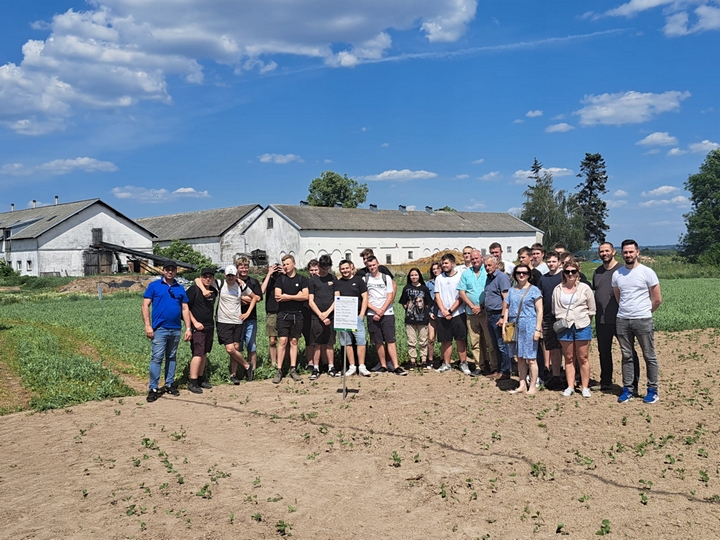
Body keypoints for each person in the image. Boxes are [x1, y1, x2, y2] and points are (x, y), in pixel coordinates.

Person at [612, 239, 662, 404]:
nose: (628, 255)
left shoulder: (647, 272)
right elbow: (619, 297)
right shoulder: (617, 274)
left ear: (637, 252)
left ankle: (652, 390)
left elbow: (657, 299)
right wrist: (627, 311)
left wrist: (645, 312)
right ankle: (628, 389)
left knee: (649, 355)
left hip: (643, 320)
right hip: (623, 320)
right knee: (627, 356)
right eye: (625, 252)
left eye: (631, 252)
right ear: (622, 254)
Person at [141, 262, 192, 402]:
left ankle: (169, 384)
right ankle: (153, 388)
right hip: (160, 329)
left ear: (176, 272)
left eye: (172, 270)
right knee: (157, 358)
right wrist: (148, 326)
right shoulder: (154, 286)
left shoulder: (180, 288)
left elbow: (185, 309)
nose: (170, 272)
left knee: (172, 357)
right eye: (167, 269)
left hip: (175, 329)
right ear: (163, 271)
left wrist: (188, 328)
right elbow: (145, 306)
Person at [593, 242, 640, 392]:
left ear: (613, 252)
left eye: (607, 251)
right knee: (604, 352)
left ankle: (633, 383)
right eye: (601, 251)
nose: (604, 253)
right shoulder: (598, 272)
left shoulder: (622, 270)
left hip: (621, 319)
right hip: (601, 320)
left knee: (628, 352)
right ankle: (606, 381)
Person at [552, 258, 596, 398]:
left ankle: (584, 387)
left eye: (573, 271)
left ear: (578, 272)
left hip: (582, 325)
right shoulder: (557, 289)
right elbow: (554, 309)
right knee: (569, 358)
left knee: (583, 357)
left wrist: (585, 321)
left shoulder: (585, 288)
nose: (570, 274)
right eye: (567, 272)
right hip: (565, 326)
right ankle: (570, 386)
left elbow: (592, 309)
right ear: (563, 273)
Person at [502, 263, 543, 395]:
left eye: (524, 273)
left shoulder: (534, 290)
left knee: (531, 358)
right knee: (519, 357)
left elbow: (539, 311)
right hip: (515, 326)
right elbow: (507, 308)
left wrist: (537, 329)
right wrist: (504, 325)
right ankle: (522, 384)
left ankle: (532, 386)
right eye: (518, 272)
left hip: (529, 325)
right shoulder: (512, 290)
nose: (521, 275)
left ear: (529, 275)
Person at [364, 255, 406, 375]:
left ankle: (396, 366)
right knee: (378, 341)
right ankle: (383, 365)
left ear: (378, 264)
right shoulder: (365, 279)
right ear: (367, 266)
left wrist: (381, 310)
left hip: (387, 313)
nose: (372, 267)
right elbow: (365, 298)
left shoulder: (386, 278)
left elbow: (390, 296)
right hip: (372, 313)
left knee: (390, 340)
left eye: (374, 265)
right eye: (369, 266)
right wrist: (376, 310)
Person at [215, 265, 255, 384]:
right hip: (223, 321)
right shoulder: (219, 284)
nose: (230, 277)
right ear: (225, 275)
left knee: (236, 348)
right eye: (228, 275)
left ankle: (234, 375)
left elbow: (254, 298)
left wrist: (247, 313)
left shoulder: (241, 286)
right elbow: (198, 279)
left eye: (233, 275)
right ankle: (247, 366)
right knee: (230, 349)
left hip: (237, 321)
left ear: (236, 275)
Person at [273, 254, 309, 383]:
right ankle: (279, 370)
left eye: (287, 264)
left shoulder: (302, 279)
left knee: (294, 341)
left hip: (298, 314)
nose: (285, 266)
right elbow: (278, 296)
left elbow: (305, 296)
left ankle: (293, 369)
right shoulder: (280, 280)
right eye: (284, 264)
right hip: (283, 314)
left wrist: (287, 296)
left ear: (294, 264)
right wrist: (295, 296)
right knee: (282, 341)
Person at [458, 249, 494, 374]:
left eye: (476, 258)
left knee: (490, 341)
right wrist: (472, 306)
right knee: (475, 341)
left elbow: (491, 291)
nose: (474, 261)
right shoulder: (466, 274)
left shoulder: (488, 271)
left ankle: (494, 366)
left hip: (486, 312)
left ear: (481, 258)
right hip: (471, 312)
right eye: (472, 259)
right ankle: (480, 366)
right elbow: (462, 292)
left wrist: (481, 306)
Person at [475, 256, 511, 380]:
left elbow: (506, 299)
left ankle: (506, 371)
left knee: (502, 345)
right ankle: (498, 370)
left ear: (496, 265)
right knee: (495, 345)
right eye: (485, 266)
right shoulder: (488, 279)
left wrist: (502, 317)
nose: (487, 268)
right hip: (490, 315)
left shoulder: (502, 278)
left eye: (489, 265)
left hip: (498, 315)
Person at [335, 259, 371, 377]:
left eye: (346, 268)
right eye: (342, 269)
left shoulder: (359, 281)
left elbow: (365, 298)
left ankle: (362, 366)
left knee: (361, 341)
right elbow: (337, 298)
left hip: (356, 316)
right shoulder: (338, 282)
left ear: (351, 268)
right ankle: (352, 366)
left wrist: (361, 315)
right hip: (343, 317)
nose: (345, 271)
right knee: (347, 342)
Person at [433, 253, 468, 374]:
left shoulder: (460, 277)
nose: (444, 265)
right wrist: (443, 310)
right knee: (445, 340)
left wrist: (450, 311)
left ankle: (463, 363)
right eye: (442, 263)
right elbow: (437, 295)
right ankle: (446, 363)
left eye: (446, 263)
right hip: (442, 314)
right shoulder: (439, 278)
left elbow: (461, 296)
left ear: (453, 264)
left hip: (458, 313)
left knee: (460, 339)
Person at [186, 268, 218, 394]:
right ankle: (192, 382)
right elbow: (185, 307)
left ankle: (200, 379)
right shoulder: (194, 290)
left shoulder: (214, 291)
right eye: (205, 276)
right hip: (197, 327)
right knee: (198, 354)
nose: (207, 279)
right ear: (201, 277)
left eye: (210, 277)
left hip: (209, 326)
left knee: (204, 353)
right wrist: (194, 323)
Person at [538, 252, 564, 389]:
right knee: (553, 349)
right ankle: (556, 376)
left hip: (563, 318)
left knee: (567, 349)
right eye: (549, 262)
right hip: (548, 318)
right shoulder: (543, 279)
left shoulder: (564, 276)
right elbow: (540, 299)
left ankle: (571, 375)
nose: (551, 264)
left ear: (559, 262)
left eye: (554, 261)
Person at [307, 255, 336, 380]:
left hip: (331, 316)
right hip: (316, 317)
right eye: (323, 267)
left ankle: (331, 367)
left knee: (330, 343)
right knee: (316, 343)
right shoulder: (313, 281)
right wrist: (321, 315)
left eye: (327, 268)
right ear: (319, 265)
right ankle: (316, 368)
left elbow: (337, 298)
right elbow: (311, 301)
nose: (325, 270)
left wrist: (328, 313)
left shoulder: (333, 279)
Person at [399, 267, 433, 369]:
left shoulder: (424, 288)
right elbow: (403, 302)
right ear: (409, 277)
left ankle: (423, 360)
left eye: (416, 275)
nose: (414, 277)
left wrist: (423, 311)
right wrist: (409, 310)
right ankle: (412, 361)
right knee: (411, 341)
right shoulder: (406, 288)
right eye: (412, 275)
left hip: (423, 319)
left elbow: (429, 303)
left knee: (423, 340)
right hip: (410, 320)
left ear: (419, 276)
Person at [262, 263, 283, 368]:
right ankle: (273, 362)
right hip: (272, 312)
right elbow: (261, 291)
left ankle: (283, 362)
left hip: (284, 311)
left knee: (284, 339)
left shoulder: (284, 278)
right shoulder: (268, 279)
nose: (276, 271)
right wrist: (269, 274)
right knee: (272, 340)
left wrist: (284, 273)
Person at [425, 262, 442, 370]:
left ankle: (443, 359)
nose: (435, 271)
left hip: (442, 313)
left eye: (437, 268)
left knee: (444, 339)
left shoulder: (444, 281)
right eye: (433, 269)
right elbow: (425, 300)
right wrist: (429, 313)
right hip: (432, 314)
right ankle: (430, 359)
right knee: (431, 339)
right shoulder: (428, 284)